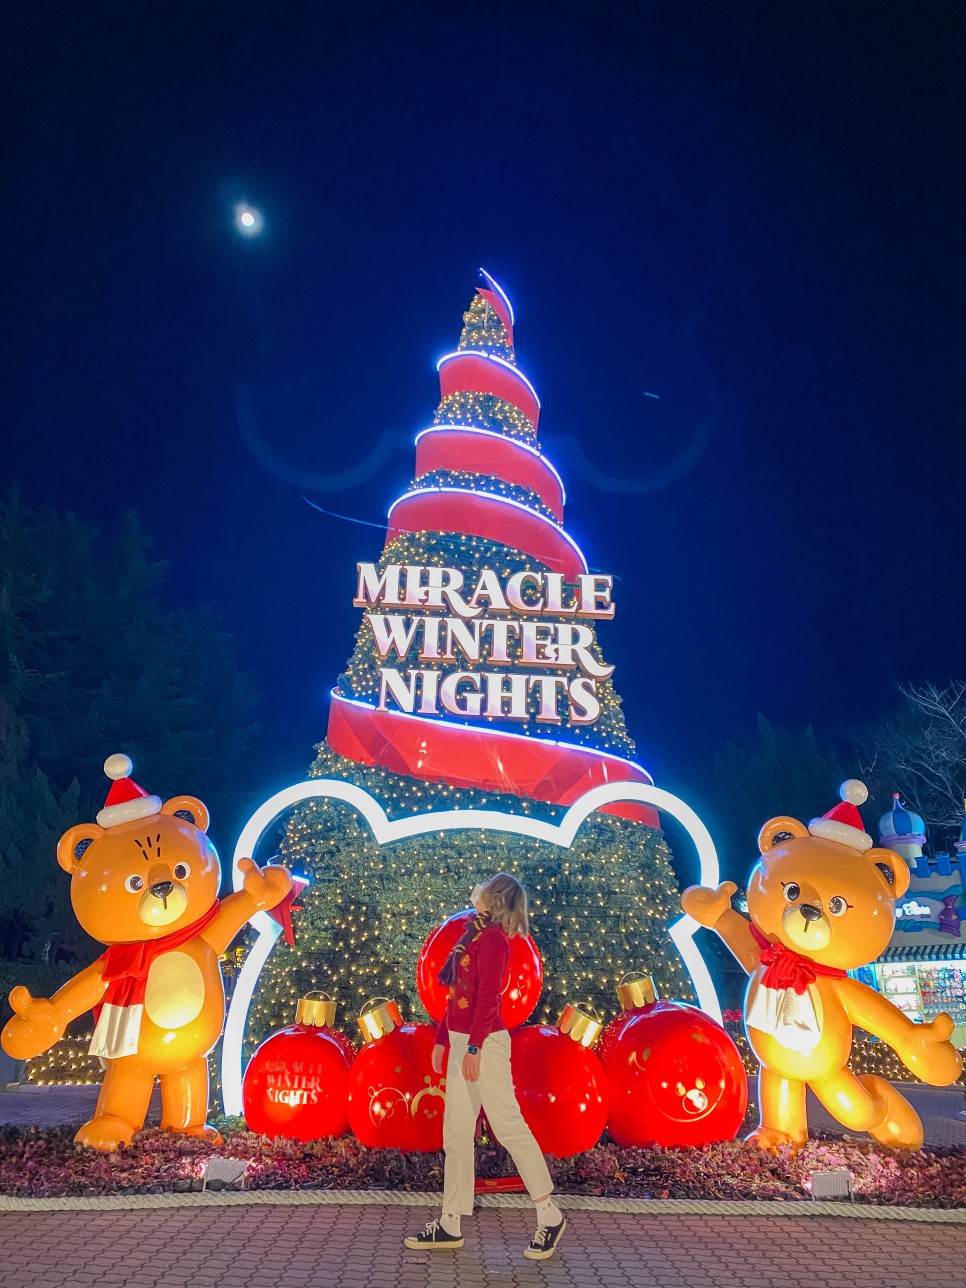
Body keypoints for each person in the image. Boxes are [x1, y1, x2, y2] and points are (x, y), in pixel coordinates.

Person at [404, 872, 566, 1261]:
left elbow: (489, 999)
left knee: (508, 1126)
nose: (477, 891)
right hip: (466, 1042)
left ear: (495, 899)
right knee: (456, 1133)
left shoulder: (493, 939)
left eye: (486, 888)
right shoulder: (473, 934)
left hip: (485, 1045)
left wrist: (473, 1047)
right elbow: (459, 995)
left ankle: (549, 1214)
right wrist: (446, 1041)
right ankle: (449, 1223)